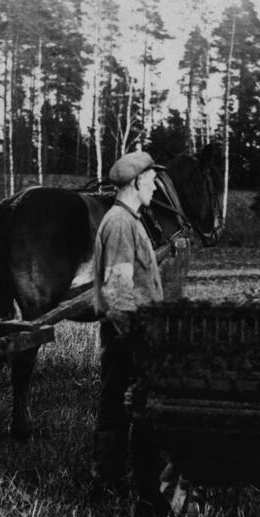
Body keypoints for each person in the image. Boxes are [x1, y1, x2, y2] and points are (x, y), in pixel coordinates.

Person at [90, 150, 165, 488]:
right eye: (151, 180)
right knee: (119, 406)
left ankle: (112, 480)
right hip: (127, 333)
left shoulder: (128, 219)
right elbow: (117, 291)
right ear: (136, 181)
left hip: (130, 331)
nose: (156, 186)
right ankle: (109, 482)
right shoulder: (121, 224)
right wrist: (140, 341)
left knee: (119, 404)